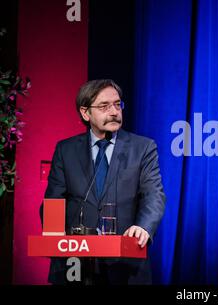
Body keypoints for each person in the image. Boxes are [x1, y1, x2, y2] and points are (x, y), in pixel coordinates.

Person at [42, 79, 166, 284]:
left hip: (125, 265)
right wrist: (55, 233)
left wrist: (144, 227)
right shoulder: (66, 150)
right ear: (85, 113)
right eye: (104, 106)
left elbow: (154, 195)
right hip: (76, 265)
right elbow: (54, 198)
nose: (114, 111)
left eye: (118, 104)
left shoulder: (143, 148)